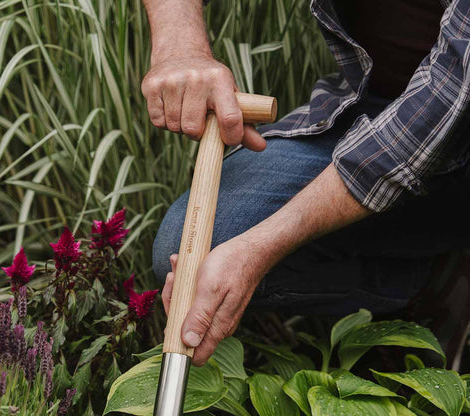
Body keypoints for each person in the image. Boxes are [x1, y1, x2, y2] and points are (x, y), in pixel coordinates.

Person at [143, 0, 470, 367]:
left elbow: (442, 102)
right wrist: (180, 48)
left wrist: (259, 249)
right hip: (377, 106)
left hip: (455, 124)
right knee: (195, 247)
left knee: (241, 250)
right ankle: (431, 277)